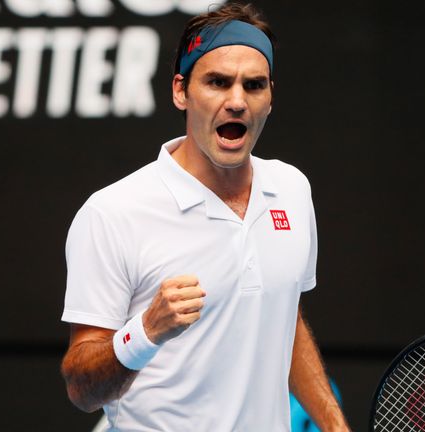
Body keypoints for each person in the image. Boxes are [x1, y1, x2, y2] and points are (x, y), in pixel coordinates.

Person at [60, 3, 350, 431]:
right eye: (217, 82)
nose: (237, 101)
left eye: (253, 85)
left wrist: (333, 424)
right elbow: (82, 391)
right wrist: (145, 331)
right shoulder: (112, 213)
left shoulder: (291, 189)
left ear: (270, 98)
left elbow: (284, 318)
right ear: (182, 91)